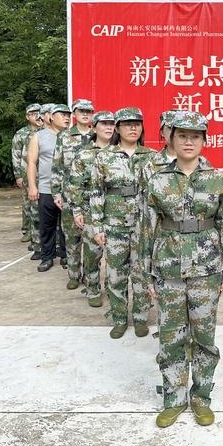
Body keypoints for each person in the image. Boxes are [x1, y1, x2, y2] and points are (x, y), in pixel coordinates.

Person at [139, 110, 223, 428]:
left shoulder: (217, 179)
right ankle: (174, 399)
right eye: (182, 135)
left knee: (204, 337)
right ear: (171, 138)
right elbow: (146, 229)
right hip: (168, 268)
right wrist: (145, 273)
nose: (188, 141)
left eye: (195, 136)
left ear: (204, 140)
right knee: (171, 338)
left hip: (207, 270)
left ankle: (201, 397)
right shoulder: (158, 180)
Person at [91, 107, 155, 339]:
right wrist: (97, 226)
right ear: (117, 128)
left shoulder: (152, 157)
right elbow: (96, 192)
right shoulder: (104, 157)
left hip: (143, 226)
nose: (133, 128)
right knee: (116, 275)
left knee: (142, 274)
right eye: (127, 124)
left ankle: (140, 318)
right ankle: (119, 318)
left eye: (137, 123)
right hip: (114, 225)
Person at [70, 110, 115, 307]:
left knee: (115, 256)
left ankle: (114, 290)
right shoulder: (84, 154)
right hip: (90, 210)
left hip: (115, 212)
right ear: (94, 127)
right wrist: (77, 211)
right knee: (92, 254)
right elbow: (75, 184)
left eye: (112, 124)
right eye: (104, 123)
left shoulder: (120, 152)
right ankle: (93, 289)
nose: (109, 127)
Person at [52, 98, 94, 290]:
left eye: (88, 111)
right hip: (70, 194)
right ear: (74, 114)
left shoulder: (98, 135)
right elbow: (57, 165)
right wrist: (56, 192)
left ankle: (90, 277)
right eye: (81, 111)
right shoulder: (64, 136)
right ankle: (74, 275)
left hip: (93, 196)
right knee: (71, 237)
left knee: (92, 240)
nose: (85, 114)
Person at [27, 104, 70, 272]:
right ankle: (47, 257)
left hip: (68, 190)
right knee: (47, 226)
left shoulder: (71, 137)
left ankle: (66, 255)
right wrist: (32, 186)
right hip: (46, 188)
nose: (66, 117)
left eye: (68, 115)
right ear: (51, 116)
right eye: (62, 114)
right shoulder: (39, 136)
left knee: (67, 226)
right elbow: (31, 163)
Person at [11, 103, 42, 245]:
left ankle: (41, 230)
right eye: (32, 114)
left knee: (42, 203)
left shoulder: (47, 131)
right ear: (27, 116)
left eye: (38, 113)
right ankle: (28, 230)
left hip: (44, 173)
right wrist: (18, 175)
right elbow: (16, 154)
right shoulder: (21, 134)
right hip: (26, 173)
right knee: (27, 203)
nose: (36, 116)